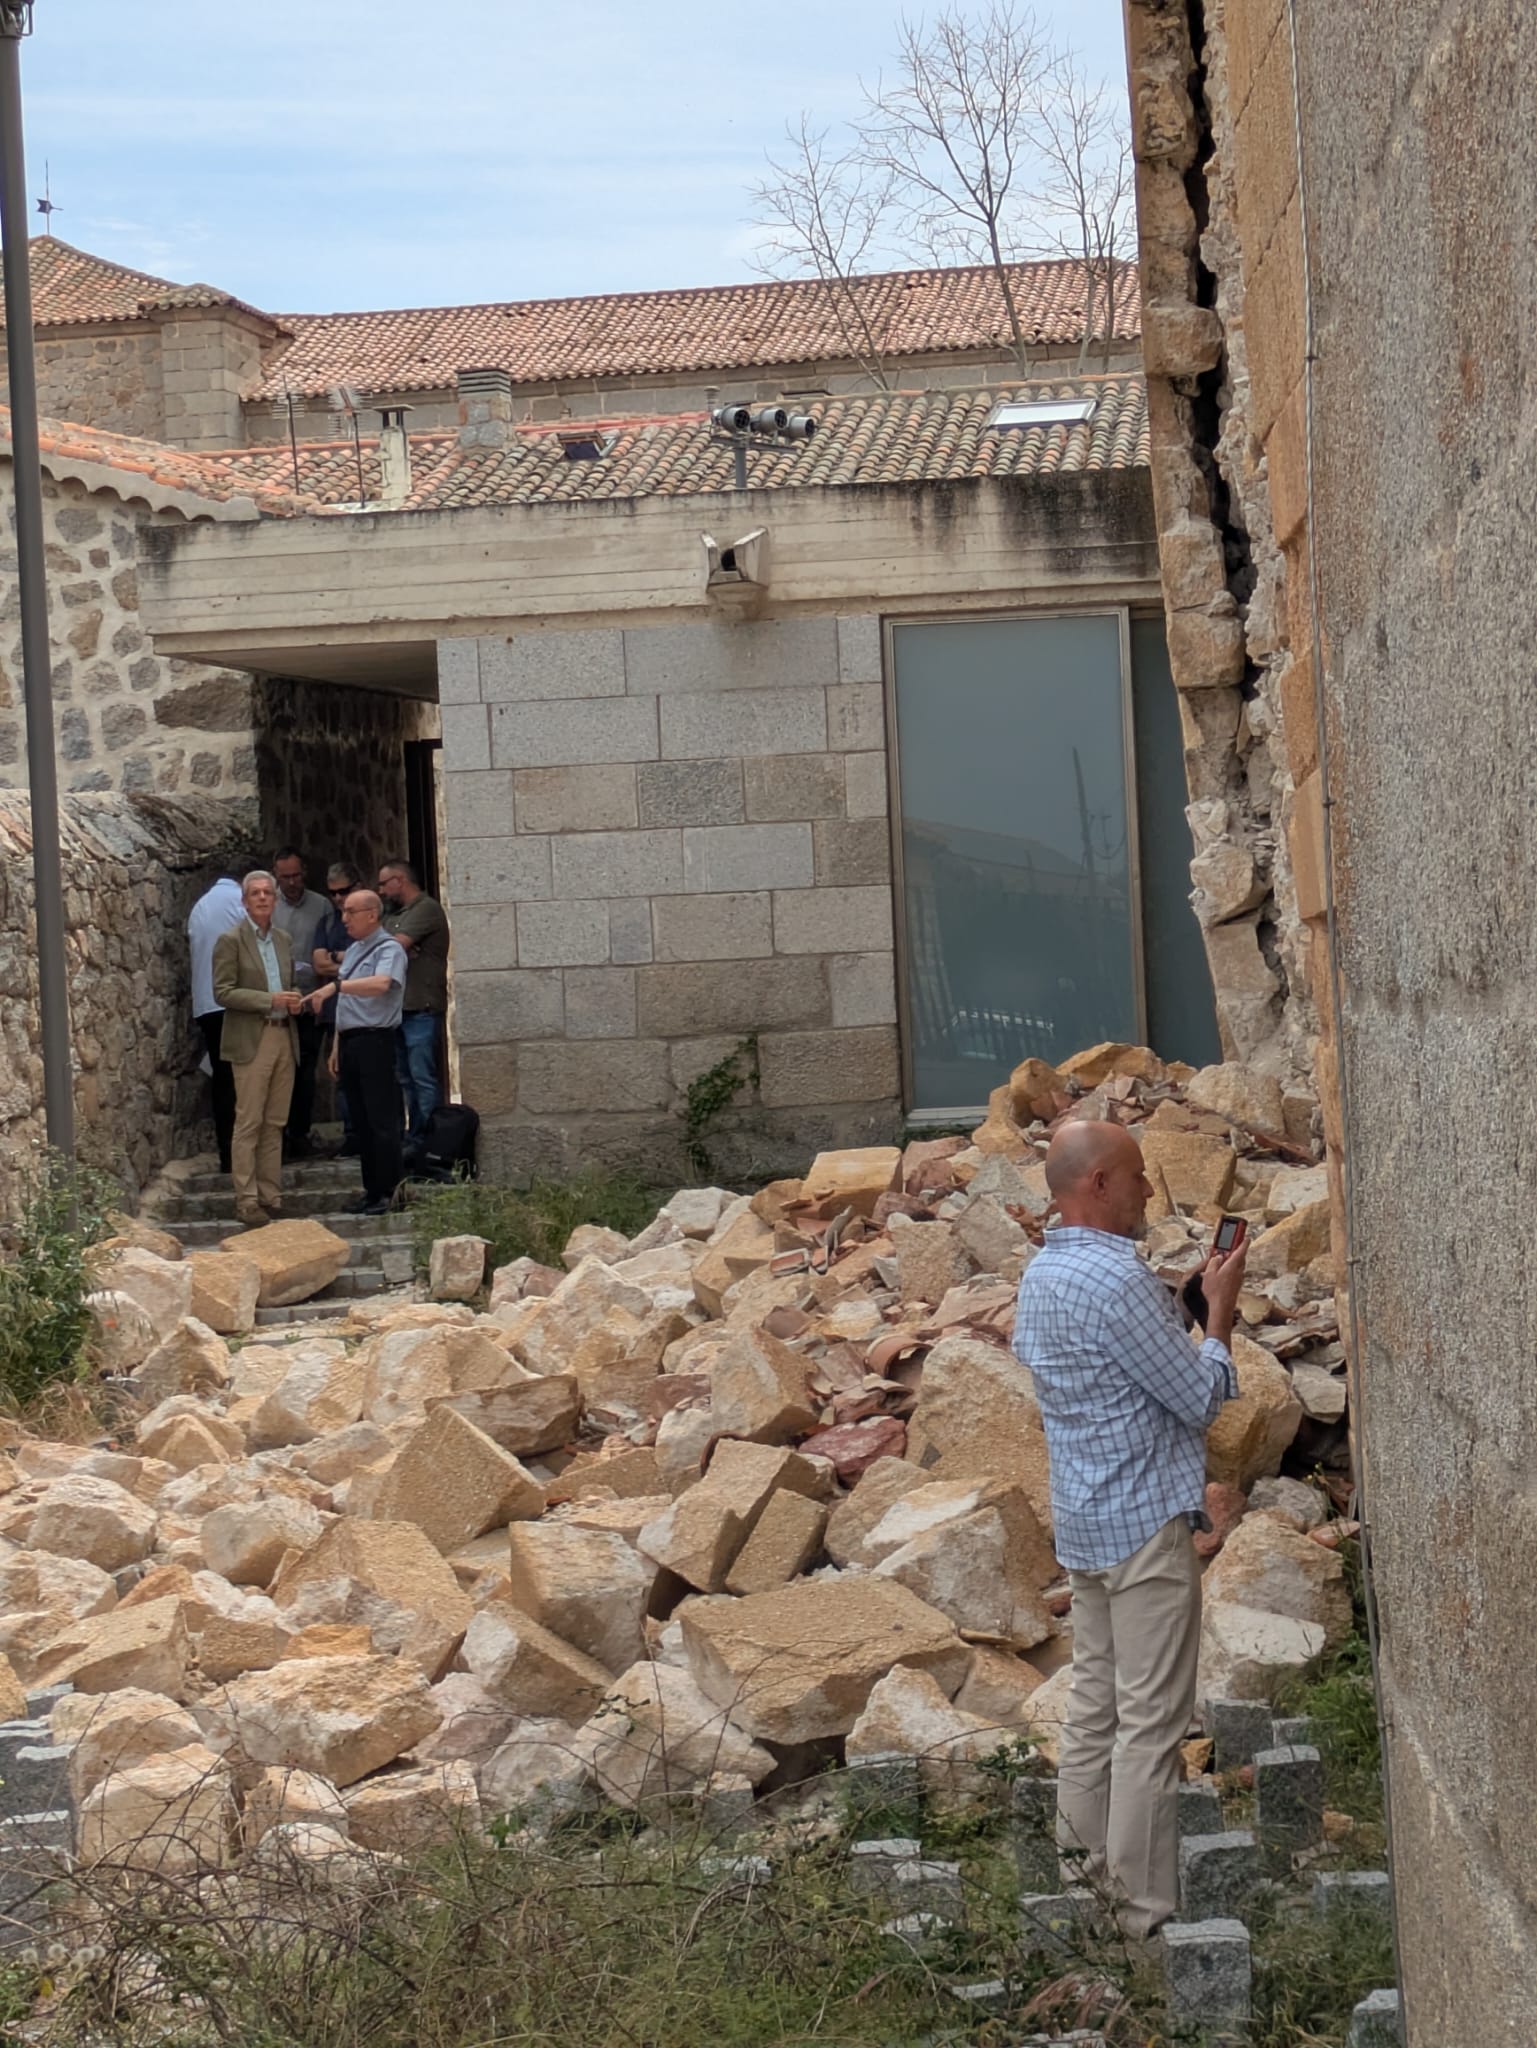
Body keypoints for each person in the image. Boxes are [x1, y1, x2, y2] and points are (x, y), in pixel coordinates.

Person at [1010, 1119, 1246, 1941]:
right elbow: (1197, 1398)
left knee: (1094, 1718)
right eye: (1138, 1175)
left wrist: (1173, 1308)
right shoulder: (1115, 1283)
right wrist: (1216, 1318)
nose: (1149, 1189)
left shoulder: (1042, 1274)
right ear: (1099, 1183)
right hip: (1144, 1528)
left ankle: (1075, 1902)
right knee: (1149, 1730)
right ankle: (1141, 1924)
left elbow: (1116, 1376)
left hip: (1084, 1523)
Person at [212, 870, 303, 1227]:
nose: (263, 898)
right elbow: (223, 990)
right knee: (249, 1120)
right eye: (255, 893)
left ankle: (271, 1195)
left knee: (275, 1121)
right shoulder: (230, 940)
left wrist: (293, 1000)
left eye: (268, 892)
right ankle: (246, 1199)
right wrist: (269, 999)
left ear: (275, 899)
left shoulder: (283, 940)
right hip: (252, 1035)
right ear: (244, 901)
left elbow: (290, 981)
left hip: (284, 1032)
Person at [307, 889, 407, 1215]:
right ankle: (371, 1190)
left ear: (372, 915)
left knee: (381, 1119)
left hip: (376, 1040)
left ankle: (390, 1191)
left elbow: (381, 985)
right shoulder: (352, 952)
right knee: (361, 1121)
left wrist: (336, 986)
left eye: (351, 911)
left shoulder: (389, 949)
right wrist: (336, 1046)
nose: (344, 918)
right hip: (350, 1040)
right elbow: (347, 1004)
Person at [378, 858, 449, 1132]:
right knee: (405, 1079)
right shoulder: (393, 915)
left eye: (384, 883)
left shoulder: (426, 908)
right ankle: (415, 1138)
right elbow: (379, 945)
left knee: (423, 1078)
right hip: (399, 1009)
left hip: (421, 1007)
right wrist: (394, 949)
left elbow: (391, 947)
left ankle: (431, 1143)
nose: (381, 890)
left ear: (400, 880)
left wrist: (396, 948)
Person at [187, 863, 248, 1175]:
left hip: (205, 1004)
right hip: (236, 1002)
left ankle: (227, 1155)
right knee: (244, 1081)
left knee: (222, 1081)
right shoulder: (240, 901)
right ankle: (245, 1156)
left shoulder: (200, 906)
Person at [272, 847, 331, 1161]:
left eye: (296, 875)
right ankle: (277, 1136)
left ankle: (300, 1133)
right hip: (277, 1005)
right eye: (285, 877)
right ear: (276, 876)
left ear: (304, 872)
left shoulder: (321, 906)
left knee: (306, 1071)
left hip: (309, 1003)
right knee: (279, 1070)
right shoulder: (269, 906)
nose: (291, 882)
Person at [311, 862, 362, 1155]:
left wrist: (338, 960)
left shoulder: (372, 919)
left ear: (357, 885)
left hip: (371, 1014)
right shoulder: (328, 923)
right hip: (335, 1012)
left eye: (344, 891)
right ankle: (352, 1135)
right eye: (333, 893)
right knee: (342, 1076)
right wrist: (351, 962)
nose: (339, 898)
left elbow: (379, 959)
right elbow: (319, 963)